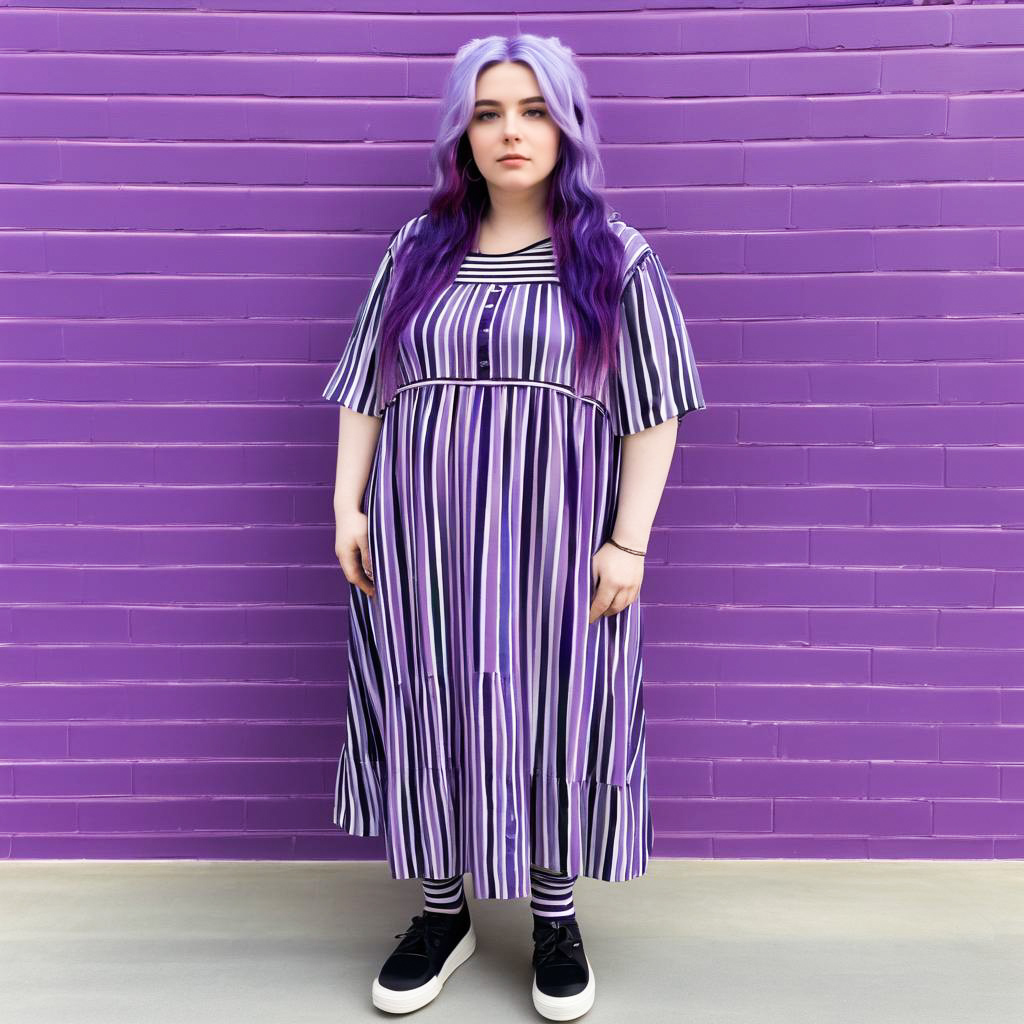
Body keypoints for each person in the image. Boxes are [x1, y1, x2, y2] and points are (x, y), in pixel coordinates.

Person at [323, 32, 707, 1021]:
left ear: (566, 125)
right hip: (424, 541)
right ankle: (440, 910)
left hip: (557, 545)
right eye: (489, 111)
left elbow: (652, 408)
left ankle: (553, 911)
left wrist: (628, 541)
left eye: (533, 110)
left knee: (552, 704)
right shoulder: (416, 250)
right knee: (432, 694)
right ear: (462, 130)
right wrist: (347, 502)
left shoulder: (615, 257)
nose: (510, 131)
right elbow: (369, 381)